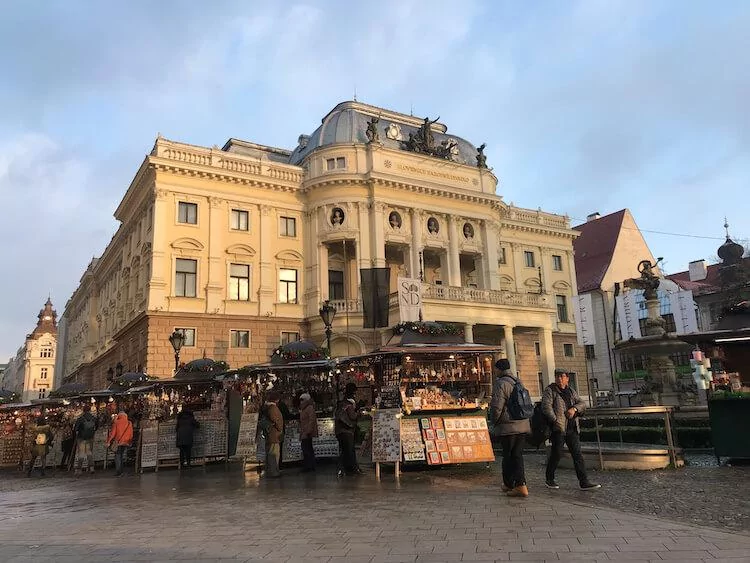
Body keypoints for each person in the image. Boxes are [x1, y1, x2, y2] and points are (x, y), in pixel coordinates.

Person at [542, 369, 600, 490]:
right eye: (557, 376)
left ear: (567, 378)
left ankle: (584, 481)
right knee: (556, 454)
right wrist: (556, 421)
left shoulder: (571, 391)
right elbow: (546, 407)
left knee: (577, 455)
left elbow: (582, 403)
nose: (559, 379)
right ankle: (549, 478)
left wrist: (574, 409)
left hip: (572, 428)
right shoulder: (550, 390)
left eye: (562, 376)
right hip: (558, 428)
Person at [489, 359, 531, 497]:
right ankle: (515, 484)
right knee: (517, 455)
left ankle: (516, 484)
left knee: (509, 456)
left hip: (508, 425)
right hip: (522, 423)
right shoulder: (518, 381)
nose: (495, 371)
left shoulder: (500, 383)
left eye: (495, 369)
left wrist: (494, 422)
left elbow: (497, 407)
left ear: (499, 369)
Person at [335, 382, 360, 477]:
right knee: (348, 450)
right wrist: (359, 413)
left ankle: (345, 469)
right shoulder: (349, 403)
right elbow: (353, 416)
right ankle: (345, 469)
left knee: (344, 450)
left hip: (339, 430)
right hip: (347, 430)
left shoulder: (341, 402)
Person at [261, 392, 284, 478]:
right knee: (274, 454)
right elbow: (275, 419)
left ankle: (270, 471)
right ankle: (274, 472)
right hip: (274, 434)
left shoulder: (267, 407)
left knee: (270, 453)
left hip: (270, 434)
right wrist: (279, 428)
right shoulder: (273, 408)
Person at [73, 405, 99, 475]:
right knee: (89, 453)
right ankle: (91, 468)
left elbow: (75, 428)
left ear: (83, 410)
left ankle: (79, 470)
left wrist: (77, 432)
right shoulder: (93, 418)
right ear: (90, 410)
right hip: (90, 437)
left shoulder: (80, 419)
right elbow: (97, 426)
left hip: (81, 438)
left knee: (81, 453)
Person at [107, 411, 133, 477]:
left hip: (118, 442)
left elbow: (113, 433)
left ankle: (119, 471)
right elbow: (131, 434)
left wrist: (108, 441)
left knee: (118, 456)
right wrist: (130, 441)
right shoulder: (129, 423)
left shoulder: (116, 422)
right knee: (121, 455)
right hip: (125, 442)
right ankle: (121, 471)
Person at [299, 392, 318, 472]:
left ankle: (309, 466)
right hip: (305, 431)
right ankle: (309, 465)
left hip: (306, 432)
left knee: (306, 449)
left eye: (302, 400)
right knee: (308, 448)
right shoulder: (305, 408)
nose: (301, 401)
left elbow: (311, 420)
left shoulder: (309, 408)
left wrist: (308, 431)